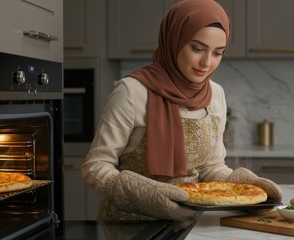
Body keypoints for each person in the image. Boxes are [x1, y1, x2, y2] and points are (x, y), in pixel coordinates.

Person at [81, 0, 283, 230]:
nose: (206, 63)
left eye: (217, 53)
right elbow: (95, 167)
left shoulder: (216, 95)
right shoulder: (132, 91)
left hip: (192, 226)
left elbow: (210, 167)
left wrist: (243, 184)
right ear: (174, 40)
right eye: (197, 49)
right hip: (128, 227)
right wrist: (142, 193)